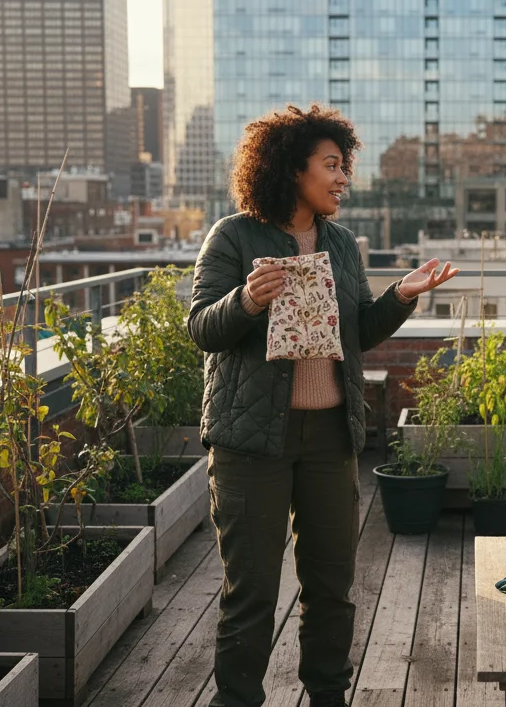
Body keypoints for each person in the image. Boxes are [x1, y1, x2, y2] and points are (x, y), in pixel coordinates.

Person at [188, 103, 458, 707]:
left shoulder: (340, 244)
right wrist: (247, 301)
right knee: (251, 592)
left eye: (345, 166)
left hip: (331, 440)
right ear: (291, 169)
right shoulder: (233, 236)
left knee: (332, 587)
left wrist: (402, 296)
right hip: (250, 444)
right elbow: (202, 328)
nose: (343, 178)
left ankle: (328, 696)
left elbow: (356, 331)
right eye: (331, 165)